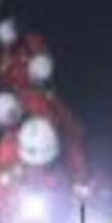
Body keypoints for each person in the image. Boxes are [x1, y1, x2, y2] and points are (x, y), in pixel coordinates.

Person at [0, 117, 83, 223]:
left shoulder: (66, 148)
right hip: (21, 214)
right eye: (36, 165)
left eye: (46, 164)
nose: (41, 167)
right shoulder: (7, 152)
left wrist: (84, 187)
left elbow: (81, 172)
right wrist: (9, 195)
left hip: (59, 207)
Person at [17, 53, 90, 183]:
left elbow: (76, 131)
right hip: (33, 147)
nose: (42, 85)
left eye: (45, 83)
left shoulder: (56, 105)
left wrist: (82, 181)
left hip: (55, 151)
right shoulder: (25, 100)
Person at [0, 17, 50, 93]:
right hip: (21, 88)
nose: (6, 46)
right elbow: (2, 80)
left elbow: (43, 65)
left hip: (35, 82)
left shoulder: (33, 42)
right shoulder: (5, 58)